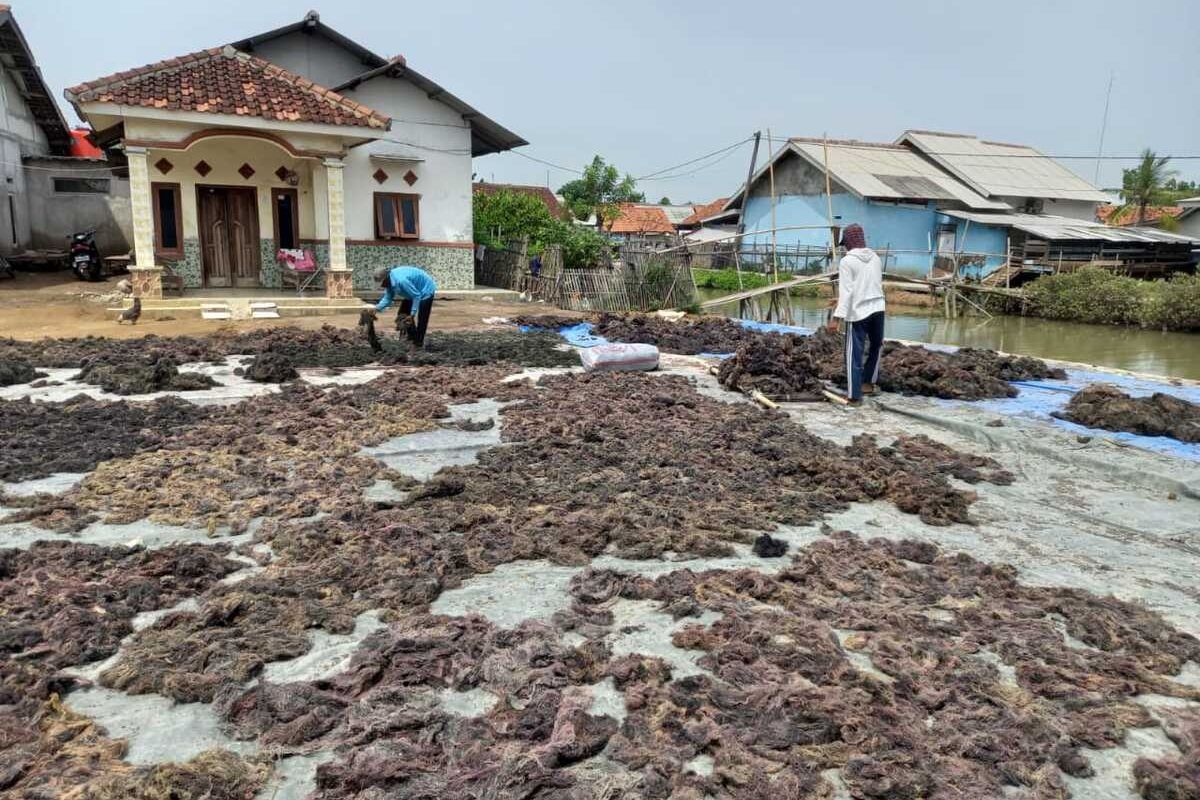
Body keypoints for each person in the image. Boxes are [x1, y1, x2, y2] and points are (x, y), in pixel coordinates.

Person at [826, 223, 885, 404]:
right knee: (876, 346)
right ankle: (867, 384)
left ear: (849, 242)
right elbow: (869, 284)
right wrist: (840, 300)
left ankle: (853, 396)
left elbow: (848, 292)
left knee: (854, 354)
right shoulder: (875, 257)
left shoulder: (847, 261)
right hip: (878, 308)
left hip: (858, 313)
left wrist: (836, 318)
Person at [364, 266, 438, 347]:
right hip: (412, 292)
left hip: (425, 290)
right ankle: (411, 336)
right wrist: (376, 308)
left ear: (386, 279)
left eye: (382, 283)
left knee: (422, 318)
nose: (382, 286)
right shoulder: (389, 283)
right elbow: (388, 298)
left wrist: (412, 314)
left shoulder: (401, 281)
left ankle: (418, 343)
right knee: (402, 314)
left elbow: (416, 296)